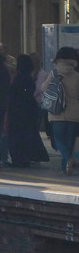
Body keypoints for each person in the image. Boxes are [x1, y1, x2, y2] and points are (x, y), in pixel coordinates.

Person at [6, 54, 49, 168]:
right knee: (28, 134)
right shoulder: (28, 78)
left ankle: (19, 159)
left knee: (17, 135)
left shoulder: (19, 78)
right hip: (29, 109)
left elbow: (14, 93)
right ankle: (26, 157)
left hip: (18, 110)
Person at [42, 47, 79, 175]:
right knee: (69, 142)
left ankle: (68, 160)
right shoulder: (76, 76)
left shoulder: (54, 73)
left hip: (56, 113)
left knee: (58, 140)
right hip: (74, 114)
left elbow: (43, 88)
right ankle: (65, 168)